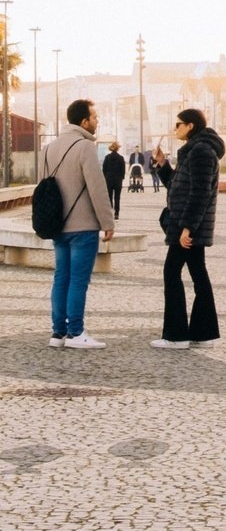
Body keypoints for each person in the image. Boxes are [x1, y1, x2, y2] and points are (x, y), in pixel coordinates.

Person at [42, 98, 116, 349]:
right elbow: (97, 188)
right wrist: (108, 221)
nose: (97, 122)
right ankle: (76, 333)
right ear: (84, 121)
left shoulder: (49, 148)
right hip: (83, 225)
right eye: (95, 118)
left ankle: (58, 333)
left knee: (61, 277)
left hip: (57, 224)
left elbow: (44, 188)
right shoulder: (85, 147)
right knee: (78, 281)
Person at [152, 108, 223, 350]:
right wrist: (163, 165)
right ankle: (203, 335)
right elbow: (176, 186)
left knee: (171, 273)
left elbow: (200, 193)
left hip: (187, 226)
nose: (176, 129)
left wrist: (187, 228)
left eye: (178, 124)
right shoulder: (193, 151)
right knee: (198, 274)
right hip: (185, 223)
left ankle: (176, 336)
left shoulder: (201, 151)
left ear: (191, 126)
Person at [102, 141, 126, 219]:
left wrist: (106, 177)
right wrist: (121, 178)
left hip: (109, 180)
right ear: (118, 149)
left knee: (109, 196)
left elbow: (104, 169)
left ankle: (110, 212)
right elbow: (123, 170)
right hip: (118, 180)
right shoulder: (121, 158)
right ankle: (116, 213)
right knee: (117, 197)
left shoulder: (107, 157)